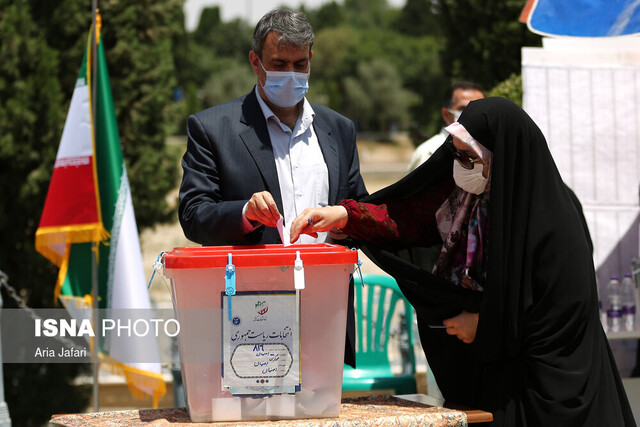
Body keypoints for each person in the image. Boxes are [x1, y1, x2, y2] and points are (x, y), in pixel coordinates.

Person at [290, 97, 636, 426]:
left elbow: (561, 315)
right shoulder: (468, 204)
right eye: (456, 156)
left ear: (503, 157)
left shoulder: (555, 220)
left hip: (554, 390)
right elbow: (409, 217)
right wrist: (344, 216)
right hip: (497, 377)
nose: (461, 167)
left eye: (471, 158)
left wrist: (485, 326)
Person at [178, 8, 368, 367]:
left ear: (311, 58)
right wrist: (245, 214)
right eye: (279, 64)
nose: (290, 75)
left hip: (325, 310)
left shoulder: (339, 129)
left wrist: (343, 220)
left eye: (299, 64)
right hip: (248, 315)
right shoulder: (212, 128)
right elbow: (193, 215)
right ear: (255, 61)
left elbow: (361, 209)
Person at [408, 81, 485, 172]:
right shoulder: (429, 153)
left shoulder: (489, 150)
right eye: (463, 109)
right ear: (446, 114)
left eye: (478, 109)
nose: (471, 114)